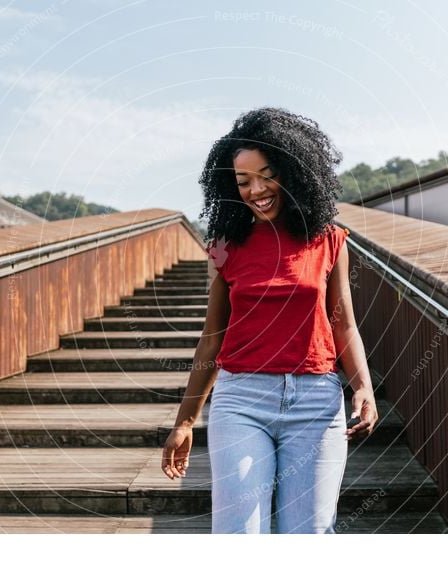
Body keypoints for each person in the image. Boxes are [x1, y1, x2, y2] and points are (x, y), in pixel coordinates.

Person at [160, 107, 378, 534]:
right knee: (239, 535)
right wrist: (185, 421)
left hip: (316, 401)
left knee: (309, 535)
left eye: (266, 175)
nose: (256, 190)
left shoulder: (329, 240)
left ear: (295, 171)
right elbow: (212, 337)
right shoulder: (226, 245)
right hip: (241, 400)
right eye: (243, 182)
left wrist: (364, 387)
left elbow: (343, 323)